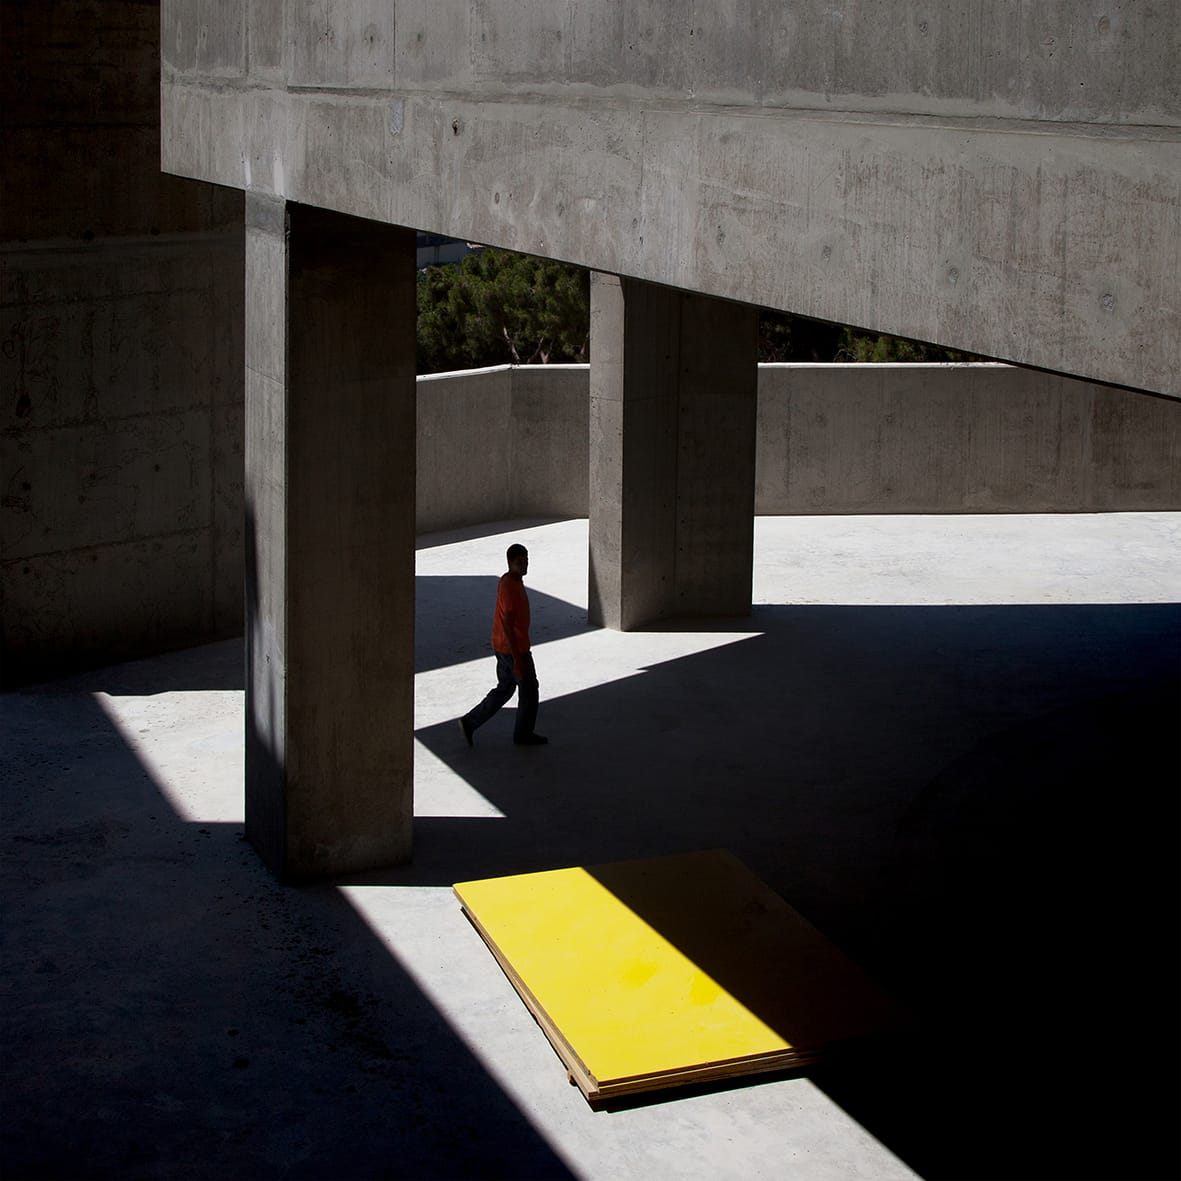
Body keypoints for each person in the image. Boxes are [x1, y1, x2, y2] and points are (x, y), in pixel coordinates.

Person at [459, 543, 548, 747]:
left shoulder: (514, 581)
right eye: (519, 563)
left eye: (526, 561)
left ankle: (469, 722)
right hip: (513, 649)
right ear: (510, 563)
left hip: (504, 647)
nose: (524, 566)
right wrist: (517, 659)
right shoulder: (509, 586)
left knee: (505, 688)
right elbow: (508, 625)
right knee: (529, 689)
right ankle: (523, 735)